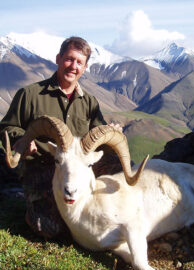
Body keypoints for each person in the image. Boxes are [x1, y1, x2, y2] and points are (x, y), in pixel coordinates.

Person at [0, 36, 121, 238]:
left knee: (116, 167)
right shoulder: (30, 94)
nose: (73, 66)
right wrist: (22, 139)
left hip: (77, 167)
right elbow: (6, 126)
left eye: (79, 62)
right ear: (58, 59)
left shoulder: (89, 102)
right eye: (69, 59)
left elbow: (98, 138)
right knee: (49, 227)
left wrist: (112, 132)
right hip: (41, 164)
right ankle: (35, 207)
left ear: (84, 67)